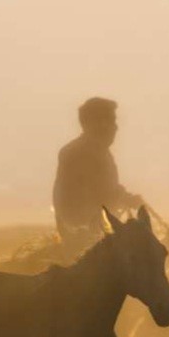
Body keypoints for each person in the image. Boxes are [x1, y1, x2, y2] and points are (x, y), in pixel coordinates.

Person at [52, 97, 142, 236]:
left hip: (96, 230)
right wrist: (125, 199)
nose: (116, 127)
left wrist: (125, 197)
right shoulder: (80, 153)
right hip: (86, 234)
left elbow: (104, 190)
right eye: (112, 120)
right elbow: (97, 192)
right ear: (97, 123)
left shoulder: (97, 152)